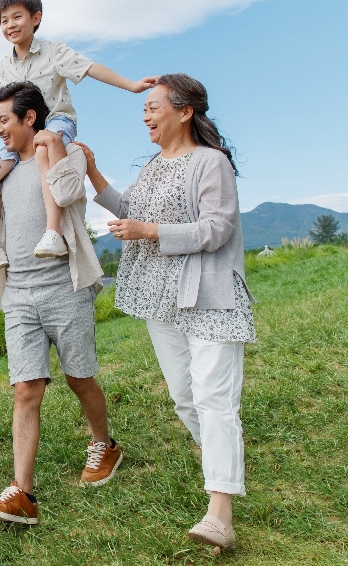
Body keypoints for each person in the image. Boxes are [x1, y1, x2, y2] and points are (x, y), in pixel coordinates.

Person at [79, 73, 255, 550]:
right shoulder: (154, 166)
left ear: (185, 112)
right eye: (145, 109)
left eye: (153, 107)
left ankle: (220, 511)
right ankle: (222, 462)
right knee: (184, 396)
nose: (145, 115)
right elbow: (129, 206)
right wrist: (93, 171)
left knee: (215, 400)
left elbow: (217, 228)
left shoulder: (210, 162)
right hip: (162, 298)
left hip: (211, 294)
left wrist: (152, 231)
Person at [0, 81, 122, 527]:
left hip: (64, 288)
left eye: (3, 120)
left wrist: (48, 150)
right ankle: (22, 491)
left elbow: (72, 191)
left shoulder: (60, 153)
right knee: (25, 390)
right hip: (18, 294)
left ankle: (104, 445)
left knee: (79, 377)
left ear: (29, 118)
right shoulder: (3, 171)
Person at [0, 0, 156, 274]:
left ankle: (53, 233)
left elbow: (90, 68)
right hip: (22, 131)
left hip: (56, 121)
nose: (10, 25)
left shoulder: (53, 52)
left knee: (45, 145)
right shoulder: (3, 66)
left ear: (36, 18)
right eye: (4, 20)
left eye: (17, 17)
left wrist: (132, 85)